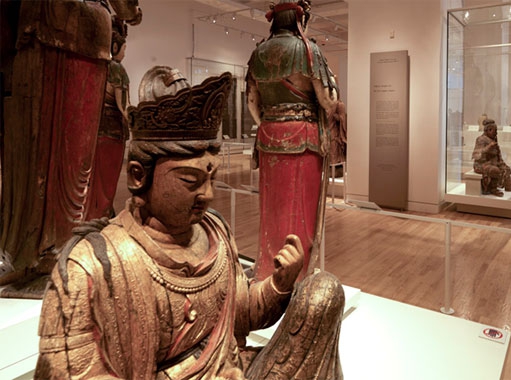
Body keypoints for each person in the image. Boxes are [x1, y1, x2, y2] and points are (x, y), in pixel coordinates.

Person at [35, 70, 345, 379]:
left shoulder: (214, 232)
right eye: (189, 181)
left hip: (231, 369)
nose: (207, 195)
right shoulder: (91, 266)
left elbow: (243, 314)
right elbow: (67, 371)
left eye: (212, 178)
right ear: (138, 176)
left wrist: (279, 284)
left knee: (323, 293)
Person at [0, 0, 142, 290]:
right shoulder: (116, 68)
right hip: (70, 31)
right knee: (47, 154)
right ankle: (35, 251)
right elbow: (129, 10)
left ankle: (38, 250)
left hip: (39, 28)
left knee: (44, 154)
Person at [246, 0, 346, 282]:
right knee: (300, 214)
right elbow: (328, 101)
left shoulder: (258, 53)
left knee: (272, 211)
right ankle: (296, 277)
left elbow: (253, 103)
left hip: (268, 137)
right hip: (304, 139)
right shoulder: (308, 51)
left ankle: (267, 271)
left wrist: (271, 122)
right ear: (299, 17)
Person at [85, 16, 132, 220]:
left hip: (95, 128)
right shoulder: (116, 68)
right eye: (124, 48)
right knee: (108, 177)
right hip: (112, 131)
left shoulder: (98, 65)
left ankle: (93, 212)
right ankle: (102, 214)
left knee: (95, 176)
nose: (125, 52)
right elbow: (123, 106)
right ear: (115, 45)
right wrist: (136, 121)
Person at [472, 119, 511, 197]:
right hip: (481, 164)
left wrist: (500, 162)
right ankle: (493, 189)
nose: (496, 133)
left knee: (506, 168)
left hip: (493, 162)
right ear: (489, 130)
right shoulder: (481, 139)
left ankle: (508, 186)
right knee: (495, 170)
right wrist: (488, 148)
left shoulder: (493, 139)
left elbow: (497, 153)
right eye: (494, 130)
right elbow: (476, 154)